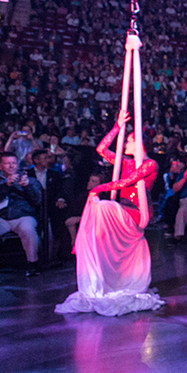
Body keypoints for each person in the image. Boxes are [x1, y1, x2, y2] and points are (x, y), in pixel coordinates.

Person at [55, 110, 163, 316]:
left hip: (137, 212)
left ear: (139, 143)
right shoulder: (125, 162)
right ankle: (98, 267)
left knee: (103, 206)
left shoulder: (149, 164)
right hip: (122, 208)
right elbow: (101, 148)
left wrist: (98, 189)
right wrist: (117, 127)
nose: (125, 145)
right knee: (99, 211)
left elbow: (126, 182)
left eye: (129, 141)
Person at [0, 153, 42, 276]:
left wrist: (27, 187)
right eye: (7, 163)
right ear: (0, 166)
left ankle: (33, 263)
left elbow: (37, 200)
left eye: (13, 163)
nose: (11, 166)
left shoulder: (30, 180)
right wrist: (5, 186)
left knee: (27, 228)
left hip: (22, 215)